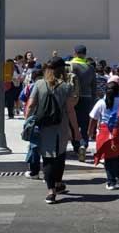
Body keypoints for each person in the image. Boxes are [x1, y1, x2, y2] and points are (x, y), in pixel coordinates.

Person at [25, 57, 81, 204]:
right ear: (62, 70)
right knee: (60, 157)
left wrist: (27, 123)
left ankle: (51, 191)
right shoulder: (66, 87)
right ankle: (57, 183)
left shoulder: (39, 84)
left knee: (47, 159)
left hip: (44, 127)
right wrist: (76, 130)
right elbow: (70, 111)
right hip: (61, 128)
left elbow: (30, 105)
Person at [89, 82, 119, 190]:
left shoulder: (100, 102)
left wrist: (90, 131)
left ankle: (111, 181)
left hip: (104, 133)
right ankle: (118, 176)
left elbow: (93, 118)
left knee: (108, 158)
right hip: (118, 131)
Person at [68, 45, 96, 163]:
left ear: (74, 53)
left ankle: (76, 145)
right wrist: (93, 101)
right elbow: (93, 86)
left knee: (72, 122)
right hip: (87, 98)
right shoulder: (90, 67)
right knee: (84, 123)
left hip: (73, 98)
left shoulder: (70, 65)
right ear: (85, 53)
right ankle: (83, 144)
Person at [23, 68, 44, 179]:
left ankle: (34, 172)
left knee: (34, 146)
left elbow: (26, 102)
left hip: (34, 120)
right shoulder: (49, 85)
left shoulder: (30, 87)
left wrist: (26, 120)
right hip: (49, 120)